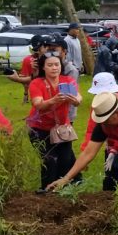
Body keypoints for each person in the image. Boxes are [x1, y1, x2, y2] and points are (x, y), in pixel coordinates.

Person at [47, 92, 118, 193]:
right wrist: (65, 179)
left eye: (106, 120)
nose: (104, 123)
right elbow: (88, 153)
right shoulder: (103, 126)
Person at [26, 53, 82, 192]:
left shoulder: (67, 81)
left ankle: (65, 190)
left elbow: (78, 99)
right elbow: (38, 105)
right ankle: (47, 190)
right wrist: (54, 100)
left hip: (62, 128)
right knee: (48, 160)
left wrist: (75, 101)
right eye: (50, 65)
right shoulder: (36, 83)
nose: (54, 68)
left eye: (57, 64)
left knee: (65, 159)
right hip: (39, 128)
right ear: (43, 68)